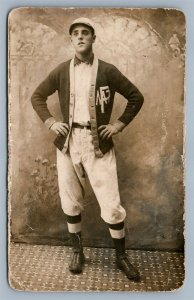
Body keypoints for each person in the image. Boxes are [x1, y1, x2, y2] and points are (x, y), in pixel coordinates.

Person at [31, 17, 144, 281]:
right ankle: (77, 252)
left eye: (86, 33)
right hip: (68, 144)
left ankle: (120, 256)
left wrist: (117, 125)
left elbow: (136, 97)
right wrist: (50, 121)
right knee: (70, 200)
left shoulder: (108, 70)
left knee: (111, 204)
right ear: (71, 40)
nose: (80, 37)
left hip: (98, 145)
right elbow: (37, 96)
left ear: (93, 39)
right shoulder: (61, 71)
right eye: (76, 33)